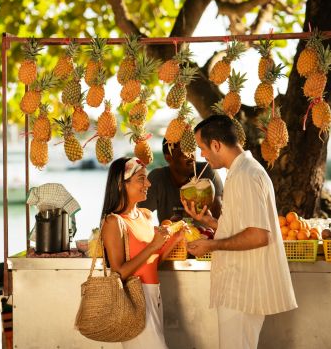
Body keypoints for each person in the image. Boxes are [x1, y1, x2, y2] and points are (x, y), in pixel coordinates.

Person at [181, 115, 297, 349]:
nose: (202, 155)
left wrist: (211, 245)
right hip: (237, 287)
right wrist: (212, 222)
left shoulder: (246, 175)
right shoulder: (242, 171)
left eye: (203, 148)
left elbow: (259, 235)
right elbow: (244, 227)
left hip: (242, 290)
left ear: (216, 145)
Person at [100, 157, 184, 349]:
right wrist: (153, 245)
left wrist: (174, 240)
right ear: (122, 185)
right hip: (133, 301)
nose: (148, 183)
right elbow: (118, 273)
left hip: (154, 296)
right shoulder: (113, 222)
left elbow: (153, 262)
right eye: (141, 179)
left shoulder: (145, 215)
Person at [138, 139, 223, 224]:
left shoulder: (206, 172)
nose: (191, 156)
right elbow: (141, 217)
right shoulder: (157, 178)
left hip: (205, 235)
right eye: (184, 152)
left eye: (192, 150)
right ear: (168, 158)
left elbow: (219, 216)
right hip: (170, 235)